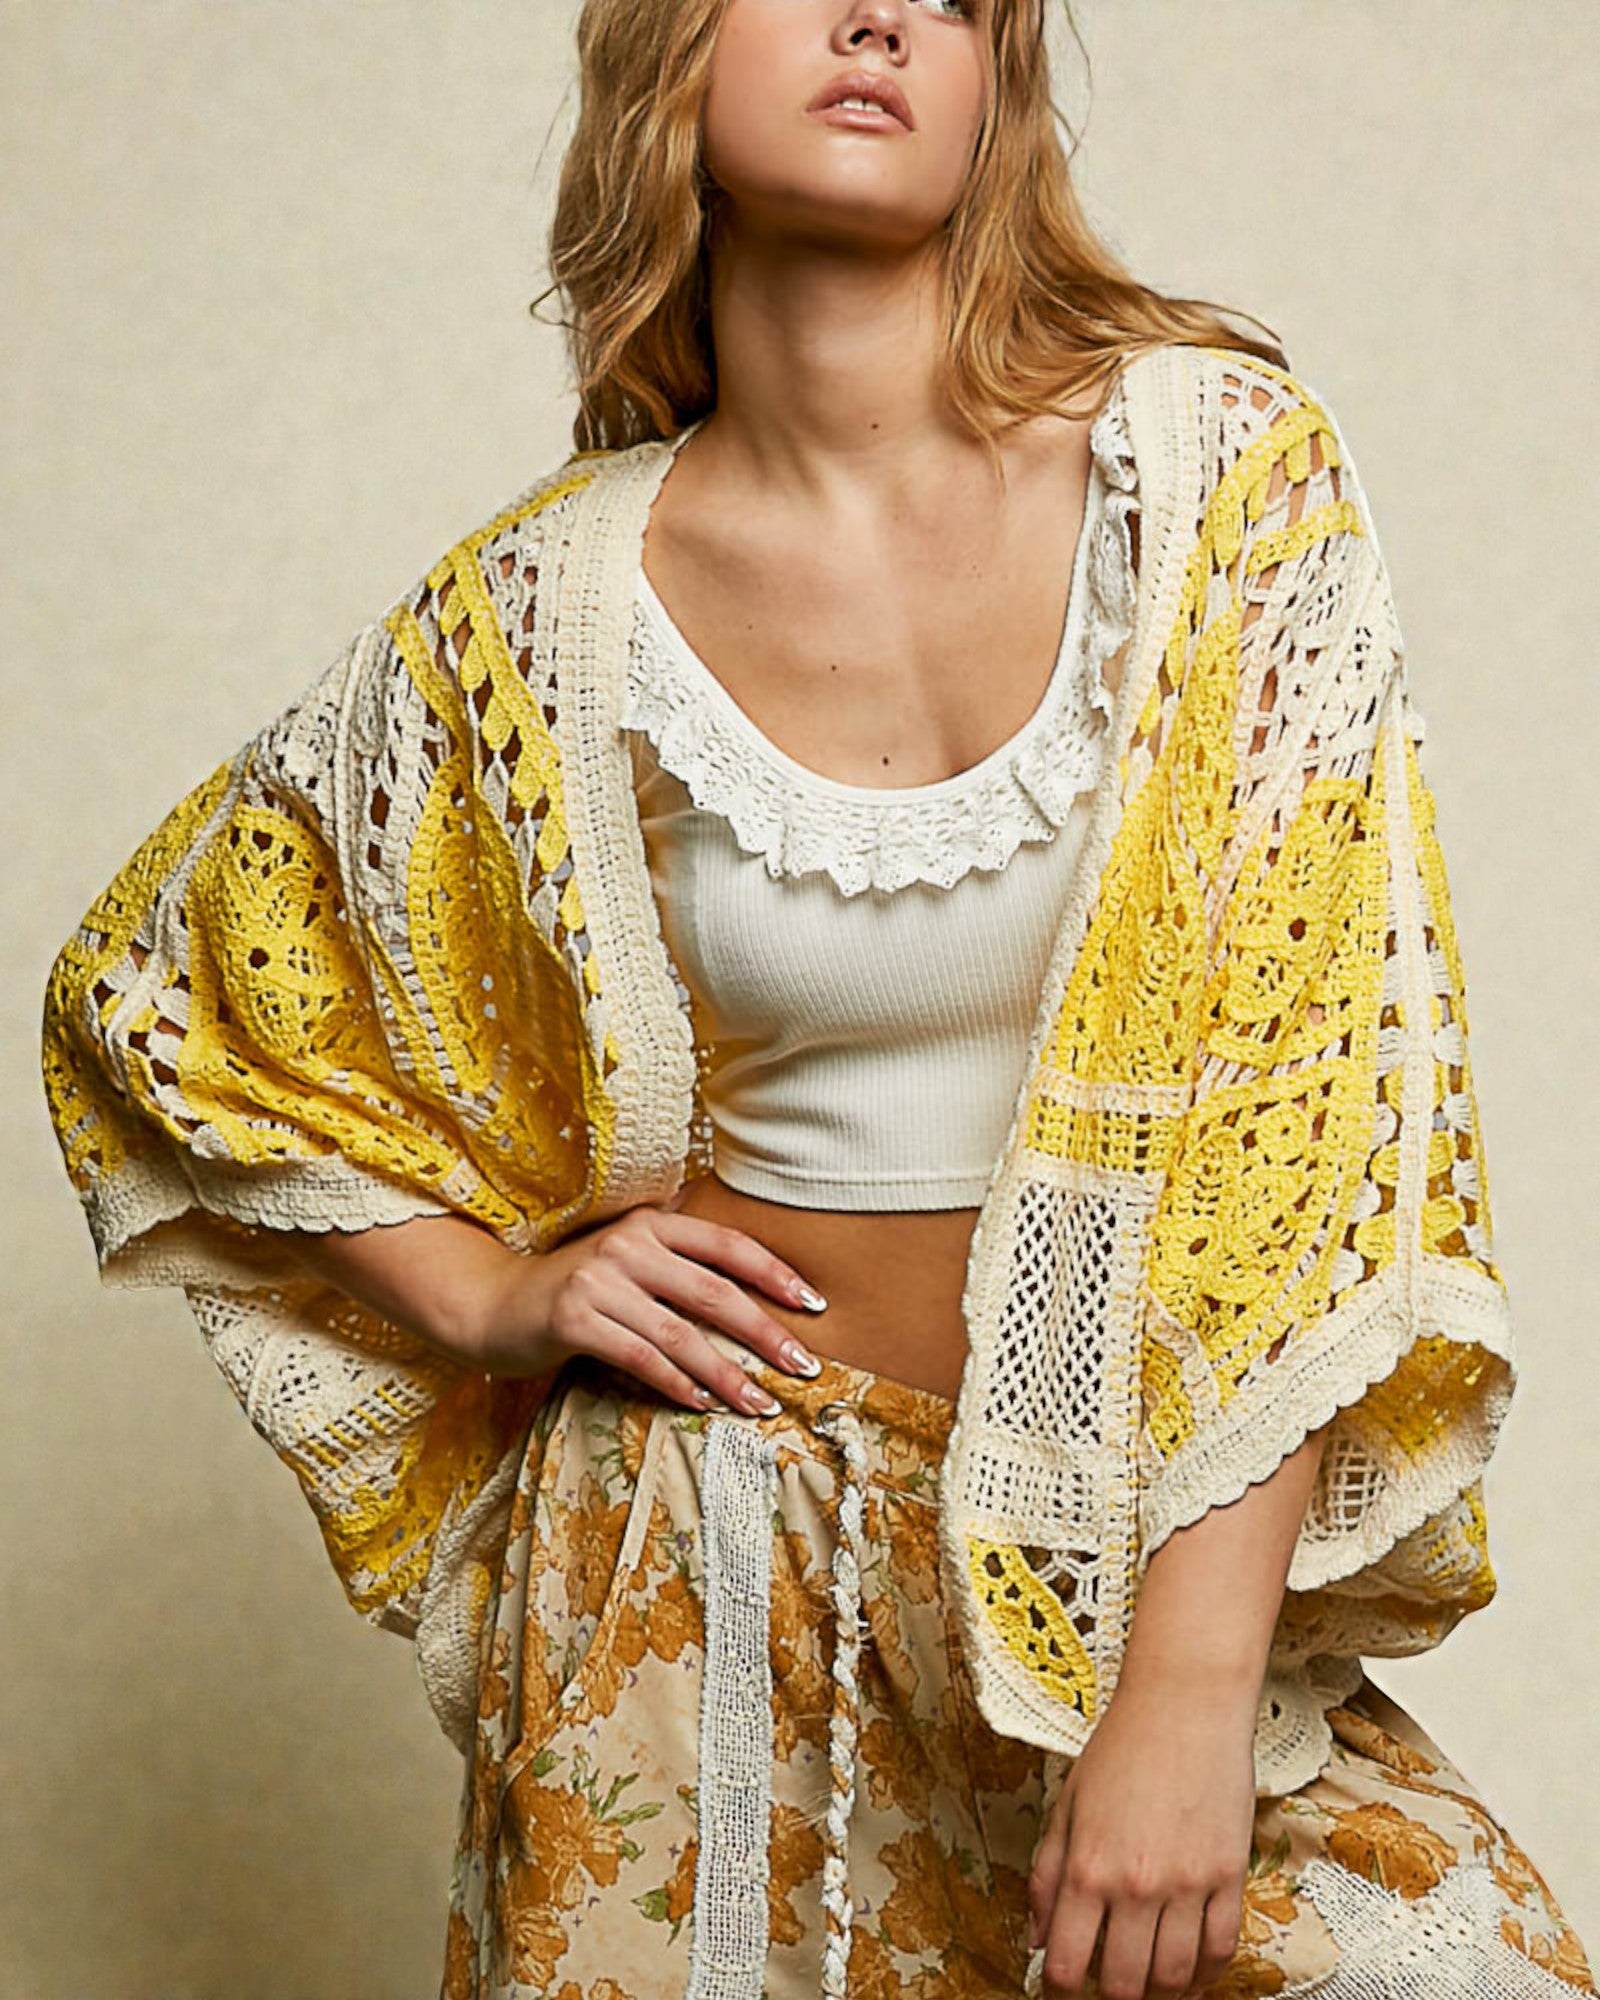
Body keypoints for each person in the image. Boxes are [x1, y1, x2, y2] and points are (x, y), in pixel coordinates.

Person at [39, 2, 1596, 1997]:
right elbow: (155, 1003)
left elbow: (1287, 1134)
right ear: (666, 55)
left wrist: (1192, 1683)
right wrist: (496, 1294)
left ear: (989, 87)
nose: (882, 15)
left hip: (1117, 1547)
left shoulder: (1217, 481)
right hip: (691, 1566)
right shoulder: (550, 607)